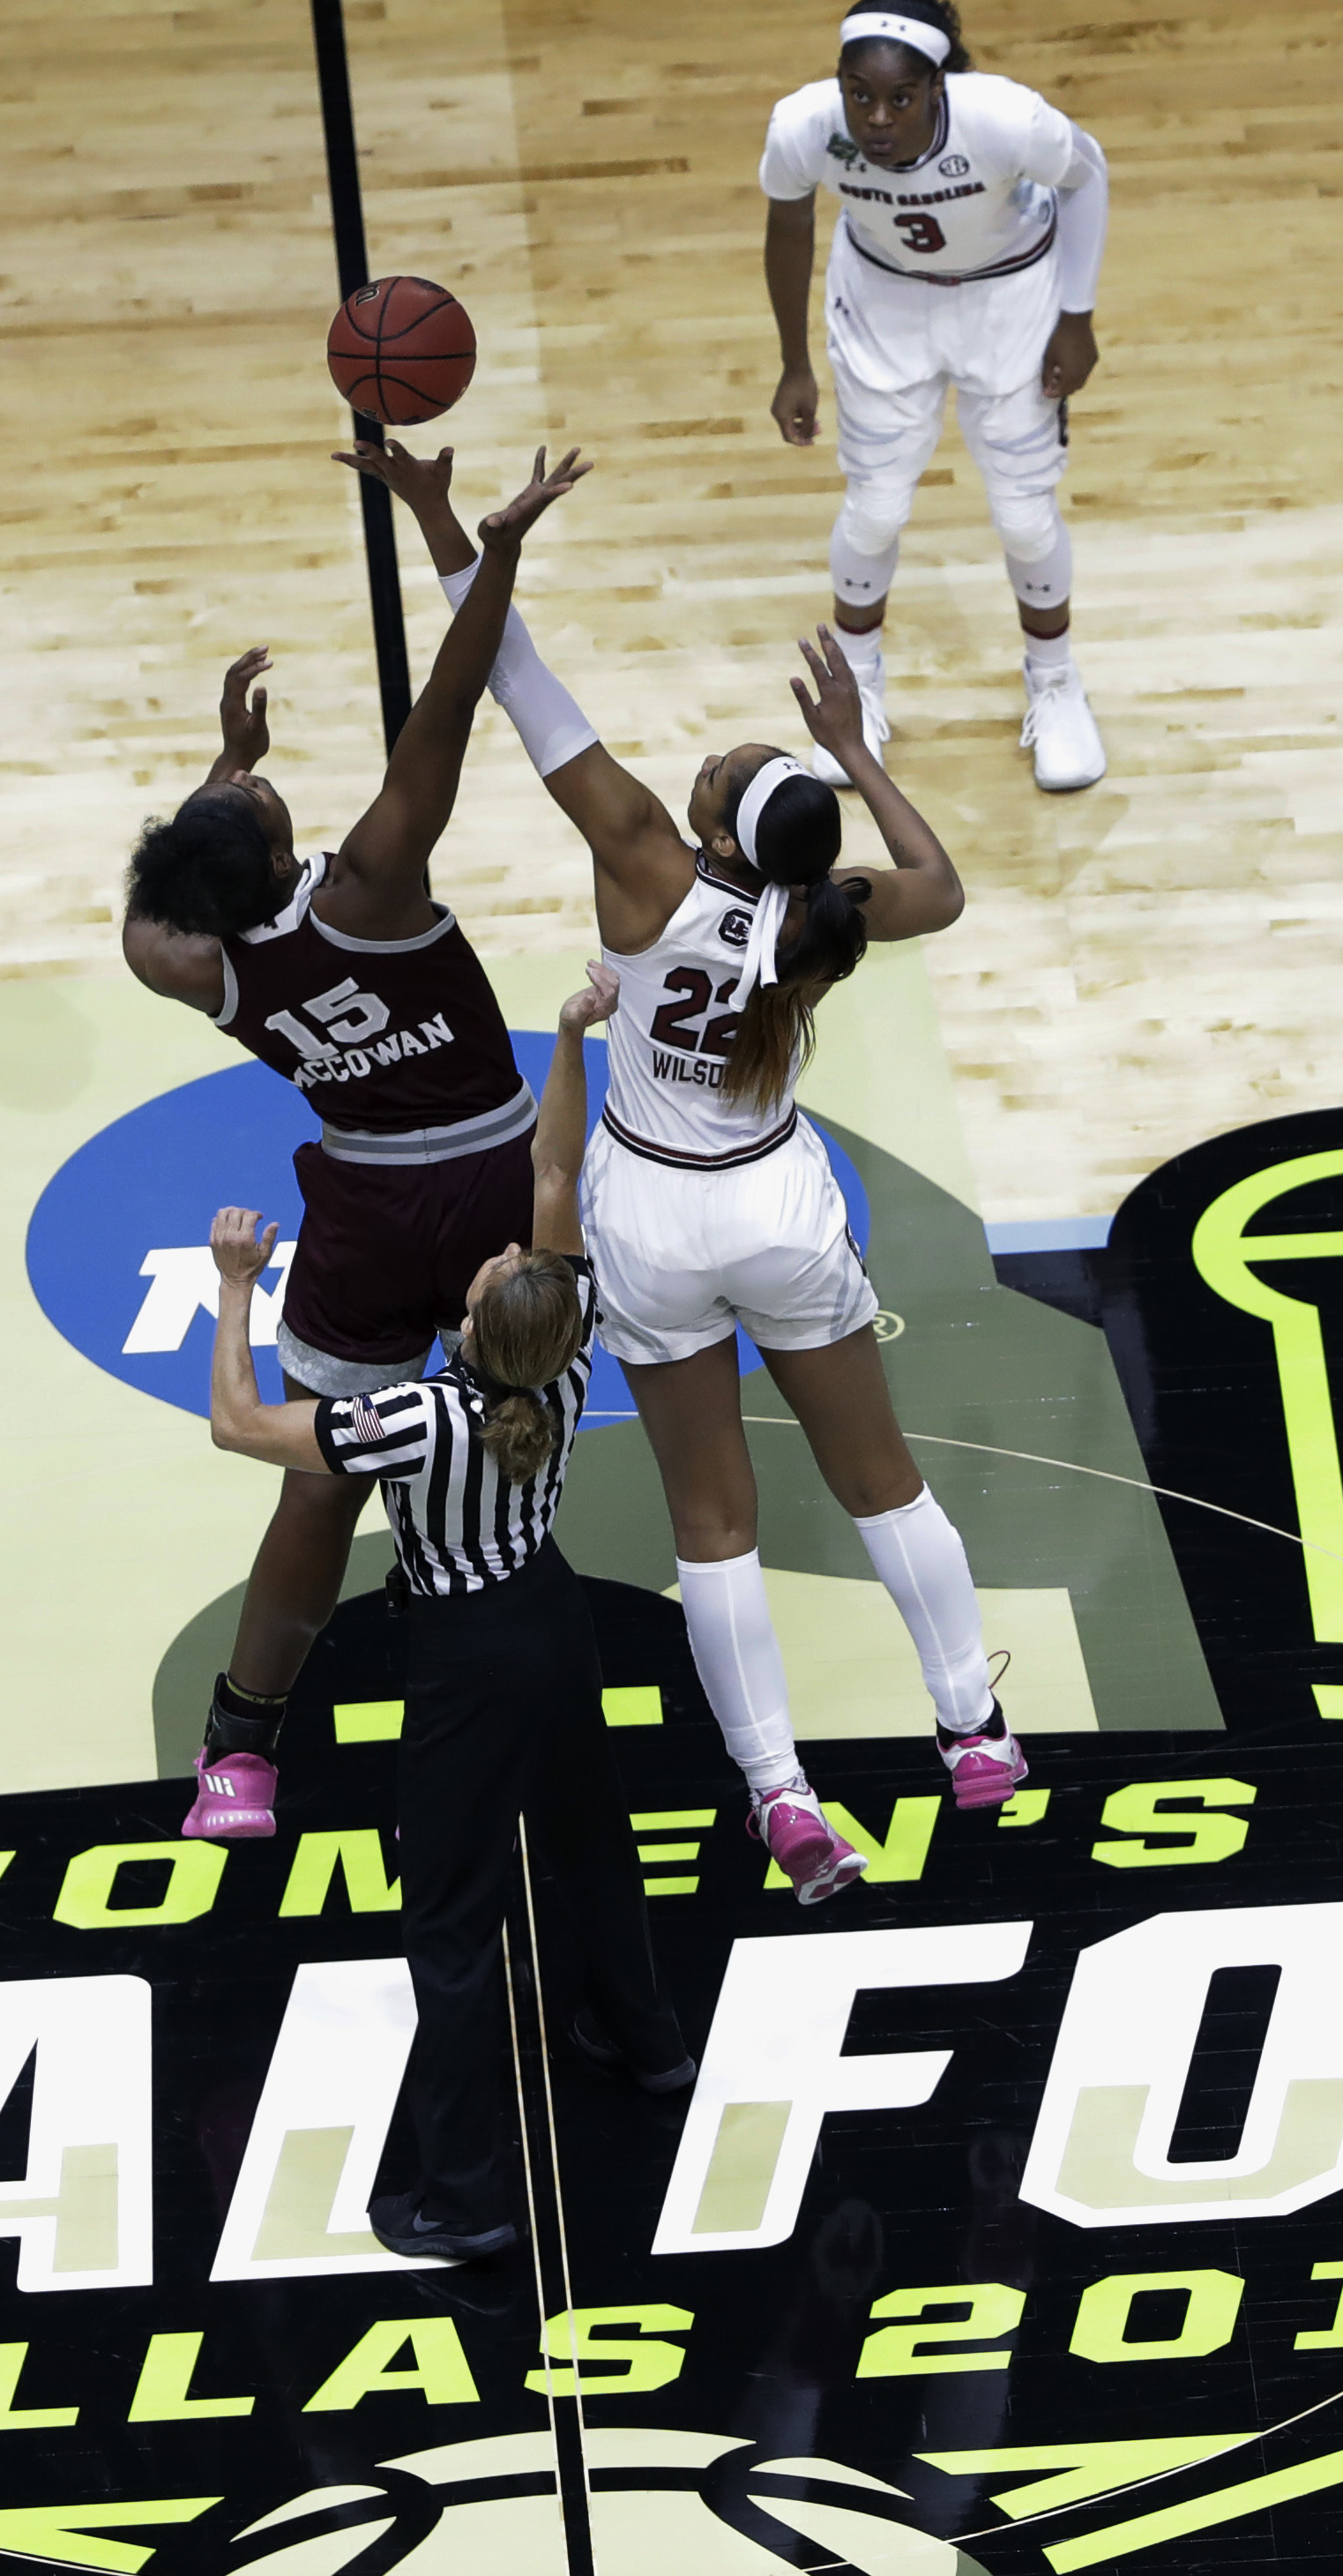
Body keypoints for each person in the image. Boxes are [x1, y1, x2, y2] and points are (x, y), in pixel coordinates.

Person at [370, 466, 1009, 1903]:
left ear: (714, 826)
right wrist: (857, 747)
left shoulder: (646, 868)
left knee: (711, 1524)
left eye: (720, 767)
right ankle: (970, 1731)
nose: (707, 759)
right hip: (776, 1201)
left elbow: (519, 687)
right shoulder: (831, 914)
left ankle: (780, 1793)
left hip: (653, 1218)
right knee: (879, 1480)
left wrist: (449, 526)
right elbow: (946, 883)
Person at [123, 444, 593, 1840]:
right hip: (497, 1189)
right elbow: (449, 706)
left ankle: (238, 1755)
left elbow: (154, 910)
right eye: (251, 806)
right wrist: (485, 543)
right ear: (270, 858)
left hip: (364, 1212)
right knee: (513, 1425)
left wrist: (223, 767)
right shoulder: (372, 886)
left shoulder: (193, 967)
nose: (259, 794)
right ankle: (507, 1646)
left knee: (320, 1486)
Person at [198, 971, 693, 2260]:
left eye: (481, 1278)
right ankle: (646, 2045)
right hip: (552, 1611)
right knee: (593, 1841)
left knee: (452, 1928)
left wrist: (238, 1283)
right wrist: (574, 1036)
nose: (485, 1259)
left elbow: (241, 1426)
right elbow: (554, 1172)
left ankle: (467, 2195)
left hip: (468, 1656)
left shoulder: (420, 1418)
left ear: (472, 1328)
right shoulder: (568, 1345)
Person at [760, 0, 1114, 795]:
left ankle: (1055, 682)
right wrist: (792, 361)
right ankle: (856, 692)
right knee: (876, 506)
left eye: (900, 98)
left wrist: (1078, 316)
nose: (877, 119)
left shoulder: (1004, 118)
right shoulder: (805, 126)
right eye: (860, 96)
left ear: (938, 87)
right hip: (883, 300)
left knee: (1026, 517)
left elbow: (1086, 177)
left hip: (1010, 297)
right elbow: (788, 220)